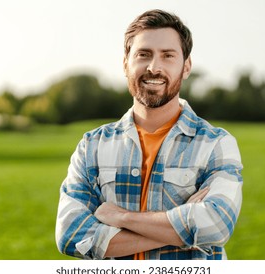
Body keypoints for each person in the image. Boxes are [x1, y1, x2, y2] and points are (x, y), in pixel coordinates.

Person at [55, 9, 243, 260]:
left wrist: (121, 218)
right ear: (125, 64)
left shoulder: (216, 144)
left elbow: (217, 225)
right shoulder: (93, 146)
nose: (154, 67)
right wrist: (186, 231)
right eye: (144, 54)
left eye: (168, 56)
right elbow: (71, 235)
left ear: (186, 67)